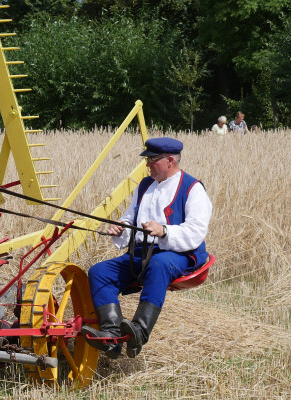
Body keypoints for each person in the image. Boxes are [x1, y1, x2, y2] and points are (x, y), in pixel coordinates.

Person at [87, 137, 212, 357]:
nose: (147, 164)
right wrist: (121, 227)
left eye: (152, 160)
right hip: (141, 254)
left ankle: (139, 331)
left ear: (170, 160)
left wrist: (164, 230)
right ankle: (111, 334)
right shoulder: (144, 185)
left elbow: (196, 230)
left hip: (177, 254)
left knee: (159, 263)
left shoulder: (193, 188)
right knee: (99, 272)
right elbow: (129, 217)